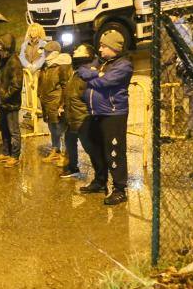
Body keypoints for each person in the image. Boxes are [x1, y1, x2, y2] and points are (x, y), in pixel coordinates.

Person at [77, 31, 133, 206]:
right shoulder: (101, 62)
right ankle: (100, 181)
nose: (99, 49)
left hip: (113, 114)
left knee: (114, 151)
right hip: (97, 113)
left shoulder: (124, 65)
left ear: (113, 48)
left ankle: (119, 189)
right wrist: (96, 73)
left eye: (103, 46)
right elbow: (81, 70)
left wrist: (94, 76)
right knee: (95, 147)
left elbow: (104, 83)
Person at [60, 43, 95, 179]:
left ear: (87, 55)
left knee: (89, 147)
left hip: (82, 117)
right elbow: (71, 91)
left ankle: (101, 176)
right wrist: (63, 105)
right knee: (70, 140)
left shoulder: (88, 72)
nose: (75, 51)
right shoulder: (76, 70)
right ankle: (72, 167)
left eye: (79, 50)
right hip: (72, 116)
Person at [0, 33, 23, 168]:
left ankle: (15, 156)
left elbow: (16, 85)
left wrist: (4, 96)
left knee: (13, 130)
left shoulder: (14, 62)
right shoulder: (2, 60)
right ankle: (5, 152)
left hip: (10, 104)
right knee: (3, 128)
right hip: (2, 102)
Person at [38, 40, 71, 166]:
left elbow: (66, 86)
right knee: (53, 128)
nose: (44, 53)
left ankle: (65, 155)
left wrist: (62, 105)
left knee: (61, 129)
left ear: (54, 53)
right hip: (47, 103)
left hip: (57, 103)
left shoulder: (62, 66)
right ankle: (55, 150)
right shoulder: (46, 65)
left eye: (46, 51)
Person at [19, 23, 48, 125]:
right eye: (31, 30)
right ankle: (30, 109)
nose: (33, 32)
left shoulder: (43, 44)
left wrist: (35, 66)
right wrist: (28, 65)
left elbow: (43, 57)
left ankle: (39, 109)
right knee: (28, 90)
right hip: (28, 72)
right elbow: (21, 56)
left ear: (39, 32)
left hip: (38, 72)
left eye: (35, 30)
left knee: (38, 91)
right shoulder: (25, 44)